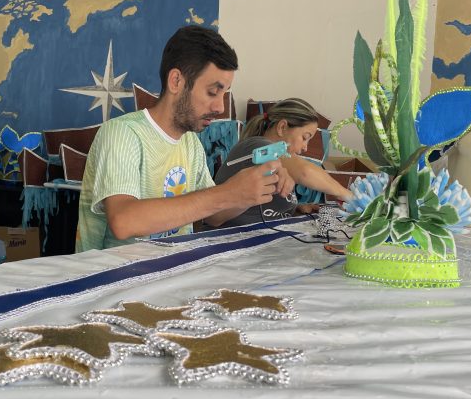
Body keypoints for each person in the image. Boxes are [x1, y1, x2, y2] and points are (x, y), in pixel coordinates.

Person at [76, 26, 294, 252]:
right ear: (176, 81)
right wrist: (227, 193)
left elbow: (215, 216)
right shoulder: (123, 133)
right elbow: (124, 221)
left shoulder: (191, 144)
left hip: (169, 275)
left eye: (224, 94)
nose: (220, 107)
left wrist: (253, 189)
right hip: (112, 281)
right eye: (212, 92)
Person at [214, 98, 352, 227]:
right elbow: (305, 172)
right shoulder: (255, 146)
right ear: (282, 127)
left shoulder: (280, 164)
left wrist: (294, 210)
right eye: (305, 137)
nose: (305, 147)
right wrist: (348, 196)